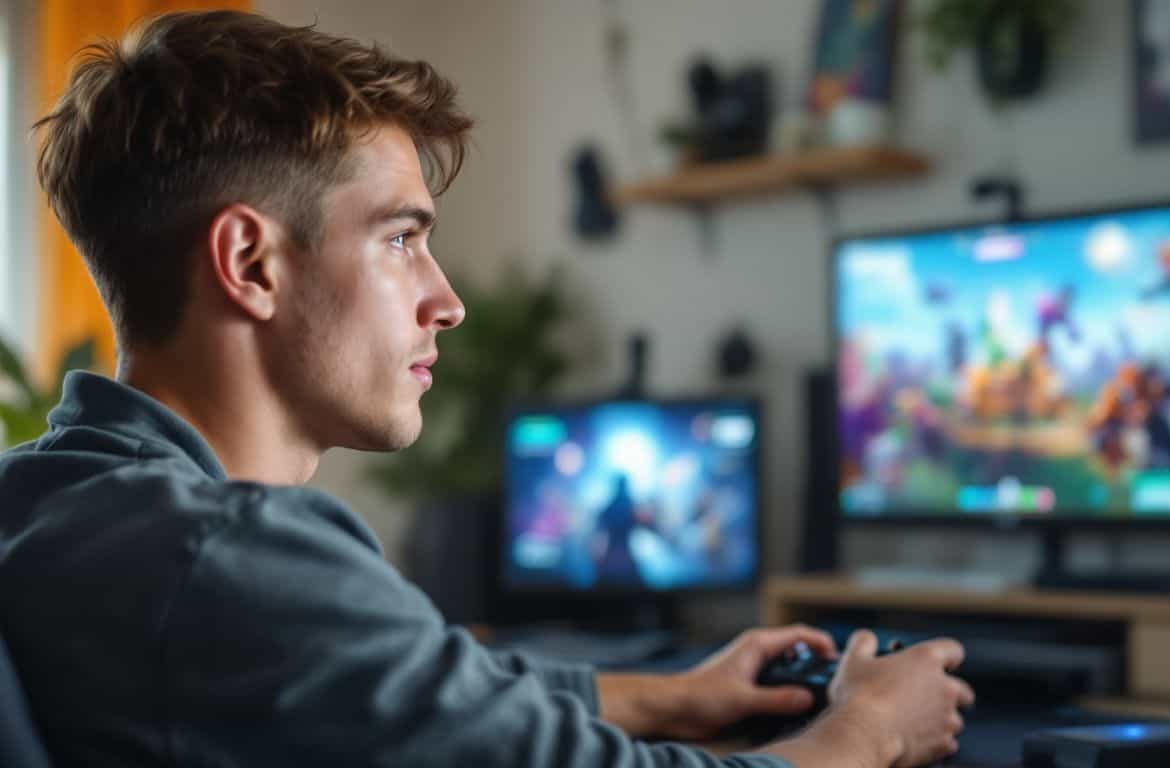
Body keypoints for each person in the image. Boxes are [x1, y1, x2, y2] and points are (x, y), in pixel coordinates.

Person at [0, 10, 972, 768]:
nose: (447, 301)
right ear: (251, 263)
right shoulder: (232, 555)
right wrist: (872, 729)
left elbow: (391, 685)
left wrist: (675, 695)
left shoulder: (47, 500)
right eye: (400, 238)